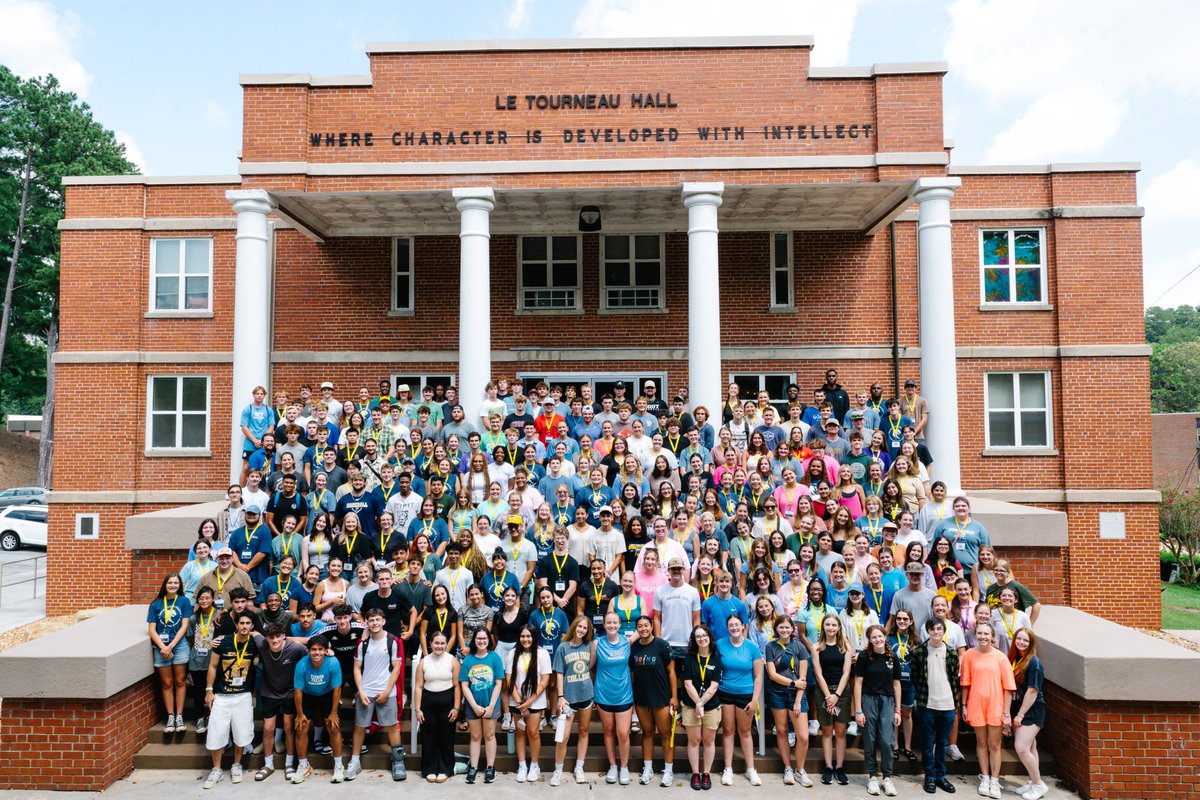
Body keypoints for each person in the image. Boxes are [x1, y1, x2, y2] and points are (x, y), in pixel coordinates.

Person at [347, 607, 407, 783]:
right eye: (371, 620)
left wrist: (388, 691)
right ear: (366, 622)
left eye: (377, 620)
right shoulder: (362, 643)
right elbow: (357, 668)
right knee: (359, 727)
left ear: (383, 621)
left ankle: (398, 761)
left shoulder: (392, 641)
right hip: (366, 691)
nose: (374, 623)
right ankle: (355, 761)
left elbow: (396, 667)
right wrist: (360, 690)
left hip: (386, 691)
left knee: (392, 726)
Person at [202, 610, 260, 789]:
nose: (244, 626)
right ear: (236, 625)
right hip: (222, 694)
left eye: (248, 624)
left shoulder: (255, 643)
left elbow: (279, 642)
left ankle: (237, 765)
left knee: (241, 732)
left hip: (243, 695)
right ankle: (217, 769)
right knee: (217, 731)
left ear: (252, 626)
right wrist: (209, 690)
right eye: (241, 623)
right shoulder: (223, 641)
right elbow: (212, 666)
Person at [961, 621, 1016, 799]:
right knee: (982, 742)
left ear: (992, 637)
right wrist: (964, 705)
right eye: (980, 633)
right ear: (975, 635)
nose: (983, 637)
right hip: (976, 704)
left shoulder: (1001, 657)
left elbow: (1008, 688)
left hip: (996, 705)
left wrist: (1006, 712)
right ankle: (984, 777)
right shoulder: (969, 655)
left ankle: (994, 780)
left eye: (986, 634)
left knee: (995, 744)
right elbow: (965, 684)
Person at [911, 616, 960, 795]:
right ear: (928, 631)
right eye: (933, 629)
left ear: (943, 631)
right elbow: (916, 678)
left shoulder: (952, 653)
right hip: (927, 705)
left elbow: (954, 677)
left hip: (947, 705)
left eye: (939, 629)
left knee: (943, 743)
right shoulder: (919, 653)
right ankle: (929, 776)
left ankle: (940, 775)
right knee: (927, 742)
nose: (936, 632)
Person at [764, 615, 814, 787]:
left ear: (793, 629)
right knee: (782, 731)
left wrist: (798, 700)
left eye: (787, 627)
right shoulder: (770, 647)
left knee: (803, 736)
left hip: (797, 695)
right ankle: (788, 768)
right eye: (781, 627)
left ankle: (800, 769)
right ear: (776, 629)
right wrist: (793, 683)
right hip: (777, 693)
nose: (784, 630)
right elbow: (772, 674)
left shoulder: (799, 647)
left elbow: (803, 678)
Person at [628, 615, 677, 786]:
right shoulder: (634, 647)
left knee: (665, 734)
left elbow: (671, 671)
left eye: (646, 625)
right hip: (642, 697)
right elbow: (633, 673)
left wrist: (674, 696)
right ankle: (647, 769)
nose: (643, 629)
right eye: (640, 626)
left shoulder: (662, 645)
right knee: (647, 733)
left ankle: (668, 771)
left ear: (651, 626)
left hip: (662, 696)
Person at [853, 624, 902, 797]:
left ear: (885, 637)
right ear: (870, 640)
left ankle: (887, 777)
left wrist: (898, 710)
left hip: (887, 701)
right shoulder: (865, 657)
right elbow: (858, 683)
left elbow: (897, 684)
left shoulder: (893, 657)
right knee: (870, 739)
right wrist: (858, 711)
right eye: (874, 637)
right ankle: (872, 776)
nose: (878, 640)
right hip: (868, 700)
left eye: (880, 636)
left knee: (887, 741)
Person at [716, 614, 763, 786]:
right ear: (727, 627)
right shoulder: (720, 644)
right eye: (731, 625)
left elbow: (758, 676)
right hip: (725, 693)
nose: (734, 628)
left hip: (746, 694)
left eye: (737, 624)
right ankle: (728, 769)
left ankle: (750, 769)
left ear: (743, 626)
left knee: (745, 732)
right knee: (728, 731)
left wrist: (754, 700)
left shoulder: (752, 647)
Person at [292, 635, 344, 783]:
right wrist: (300, 714)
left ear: (326, 651)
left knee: (333, 726)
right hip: (308, 694)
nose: (317, 653)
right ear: (308, 651)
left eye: (320, 649)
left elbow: (337, 689)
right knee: (301, 727)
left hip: (327, 694)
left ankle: (339, 765)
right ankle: (303, 765)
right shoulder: (301, 664)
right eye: (313, 650)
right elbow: (298, 691)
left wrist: (334, 713)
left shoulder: (333, 663)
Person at [550, 616, 596, 786]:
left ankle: (579, 767)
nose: (581, 630)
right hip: (568, 698)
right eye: (579, 627)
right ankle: (558, 769)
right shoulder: (563, 647)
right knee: (563, 735)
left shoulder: (590, 645)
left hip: (586, 695)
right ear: (574, 627)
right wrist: (561, 697)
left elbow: (591, 666)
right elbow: (559, 673)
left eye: (585, 628)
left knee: (584, 731)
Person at [147, 574, 192, 734]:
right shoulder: (156, 604)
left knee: (180, 681)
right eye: (170, 583)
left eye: (176, 583)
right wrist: (163, 647)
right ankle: (170, 716)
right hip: (161, 648)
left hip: (179, 646)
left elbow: (184, 626)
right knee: (166, 683)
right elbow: (152, 629)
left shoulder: (184, 601)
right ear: (165, 585)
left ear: (179, 585)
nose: (173, 585)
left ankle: (179, 716)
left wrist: (171, 646)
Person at [414, 630, 461, 782]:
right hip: (428, 702)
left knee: (446, 736)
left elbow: (457, 687)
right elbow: (419, 687)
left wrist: (456, 708)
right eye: (436, 643)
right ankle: (429, 768)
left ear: (446, 644)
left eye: (442, 643)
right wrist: (418, 709)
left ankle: (445, 769)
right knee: (428, 737)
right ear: (430, 644)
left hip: (447, 701)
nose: (439, 646)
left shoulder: (453, 660)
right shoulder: (424, 662)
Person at [507, 623, 552, 783]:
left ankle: (534, 765)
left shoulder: (542, 653)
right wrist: (520, 702)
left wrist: (529, 702)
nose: (525, 639)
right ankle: (522, 766)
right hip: (517, 700)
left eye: (528, 636)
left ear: (533, 637)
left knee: (533, 733)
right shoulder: (513, 653)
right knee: (520, 732)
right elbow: (509, 679)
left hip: (536, 701)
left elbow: (545, 680)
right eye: (523, 636)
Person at [594, 611, 635, 785]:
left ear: (620, 625)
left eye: (615, 623)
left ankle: (624, 767)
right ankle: (612, 765)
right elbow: (590, 666)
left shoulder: (627, 641)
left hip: (624, 695)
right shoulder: (597, 643)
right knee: (609, 732)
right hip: (603, 695)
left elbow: (645, 626)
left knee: (623, 734)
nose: (612, 625)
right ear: (604, 624)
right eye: (608, 622)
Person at [812, 613, 853, 786]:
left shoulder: (845, 647)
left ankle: (839, 767)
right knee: (827, 731)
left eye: (833, 625)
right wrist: (828, 695)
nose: (830, 628)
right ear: (823, 627)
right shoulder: (816, 647)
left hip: (841, 693)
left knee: (841, 731)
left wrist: (836, 695)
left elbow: (846, 673)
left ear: (838, 627)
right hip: (823, 692)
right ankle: (828, 767)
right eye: (827, 624)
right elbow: (818, 673)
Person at [460, 628, 504, 784]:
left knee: (490, 736)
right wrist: (474, 706)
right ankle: (473, 767)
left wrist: (491, 705)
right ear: (474, 640)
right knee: (475, 736)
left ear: (489, 640)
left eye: (484, 638)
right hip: (473, 705)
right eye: (479, 638)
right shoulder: (468, 660)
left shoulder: (494, 658)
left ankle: (490, 767)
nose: (481, 641)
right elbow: (464, 685)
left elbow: (499, 683)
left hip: (491, 704)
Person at [1010, 628, 1048, 800]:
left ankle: (1039, 784)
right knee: (1031, 747)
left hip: (1032, 709)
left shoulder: (1034, 662)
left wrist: (1020, 715)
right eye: (1019, 639)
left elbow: (1032, 691)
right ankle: (1033, 782)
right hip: (1022, 706)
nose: (1022, 642)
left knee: (1021, 748)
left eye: (1026, 640)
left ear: (1031, 643)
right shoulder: (1018, 658)